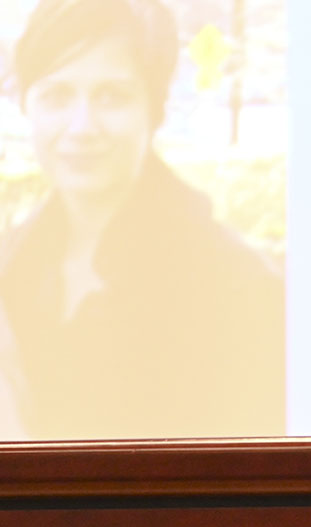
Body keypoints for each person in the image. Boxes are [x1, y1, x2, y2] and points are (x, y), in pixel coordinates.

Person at [0, 0, 283, 440]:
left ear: (156, 109)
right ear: (26, 105)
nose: (81, 127)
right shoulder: (14, 265)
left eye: (111, 96)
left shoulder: (235, 282)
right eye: (57, 96)